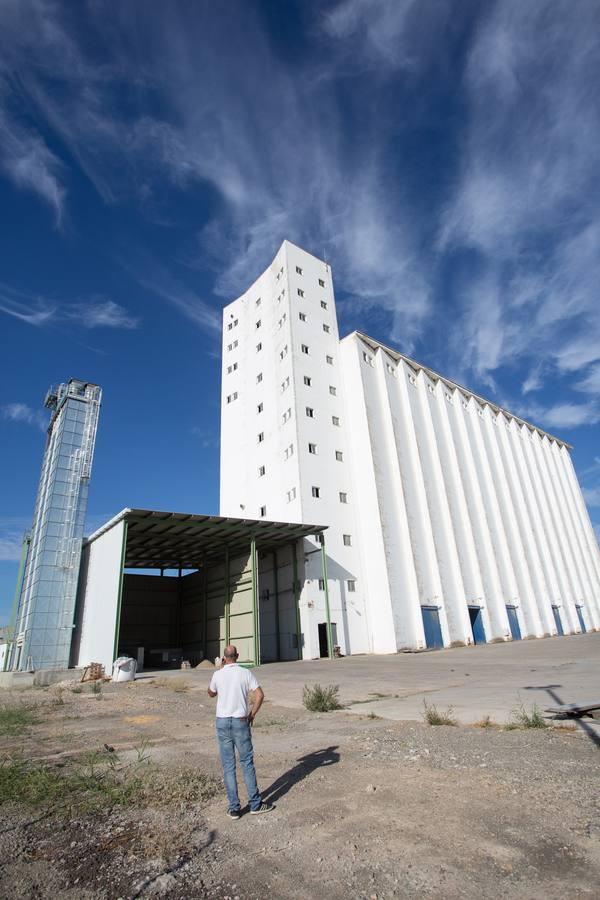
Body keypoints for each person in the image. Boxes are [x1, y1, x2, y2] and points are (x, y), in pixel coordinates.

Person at [208, 644, 273, 819]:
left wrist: (221, 670)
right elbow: (260, 695)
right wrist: (251, 714)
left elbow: (210, 693)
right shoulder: (245, 673)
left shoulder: (218, 674)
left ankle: (234, 808)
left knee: (228, 765)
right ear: (237, 655)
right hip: (240, 721)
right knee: (246, 763)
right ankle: (255, 804)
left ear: (224, 657)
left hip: (222, 721)